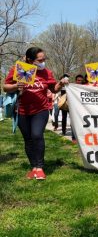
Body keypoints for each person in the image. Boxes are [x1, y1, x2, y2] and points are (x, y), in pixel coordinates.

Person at [3, 47, 68, 180]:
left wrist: (60, 83)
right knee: (28, 139)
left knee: (37, 135)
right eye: (40, 60)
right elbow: (5, 87)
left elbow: (54, 89)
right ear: (29, 60)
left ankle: (40, 167)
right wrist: (16, 86)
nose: (43, 62)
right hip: (22, 111)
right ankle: (33, 167)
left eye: (44, 59)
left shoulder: (46, 73)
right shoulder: (18, 70)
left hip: (41, 109)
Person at [71, 74, 84, 143]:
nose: (80, 82)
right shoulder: (71, 87)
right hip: (74, 108)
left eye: (81, 81)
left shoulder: (84, 87)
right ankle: (74, 137)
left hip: (82, 108)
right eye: (78, 80)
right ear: (75, 80)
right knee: (74, 123)